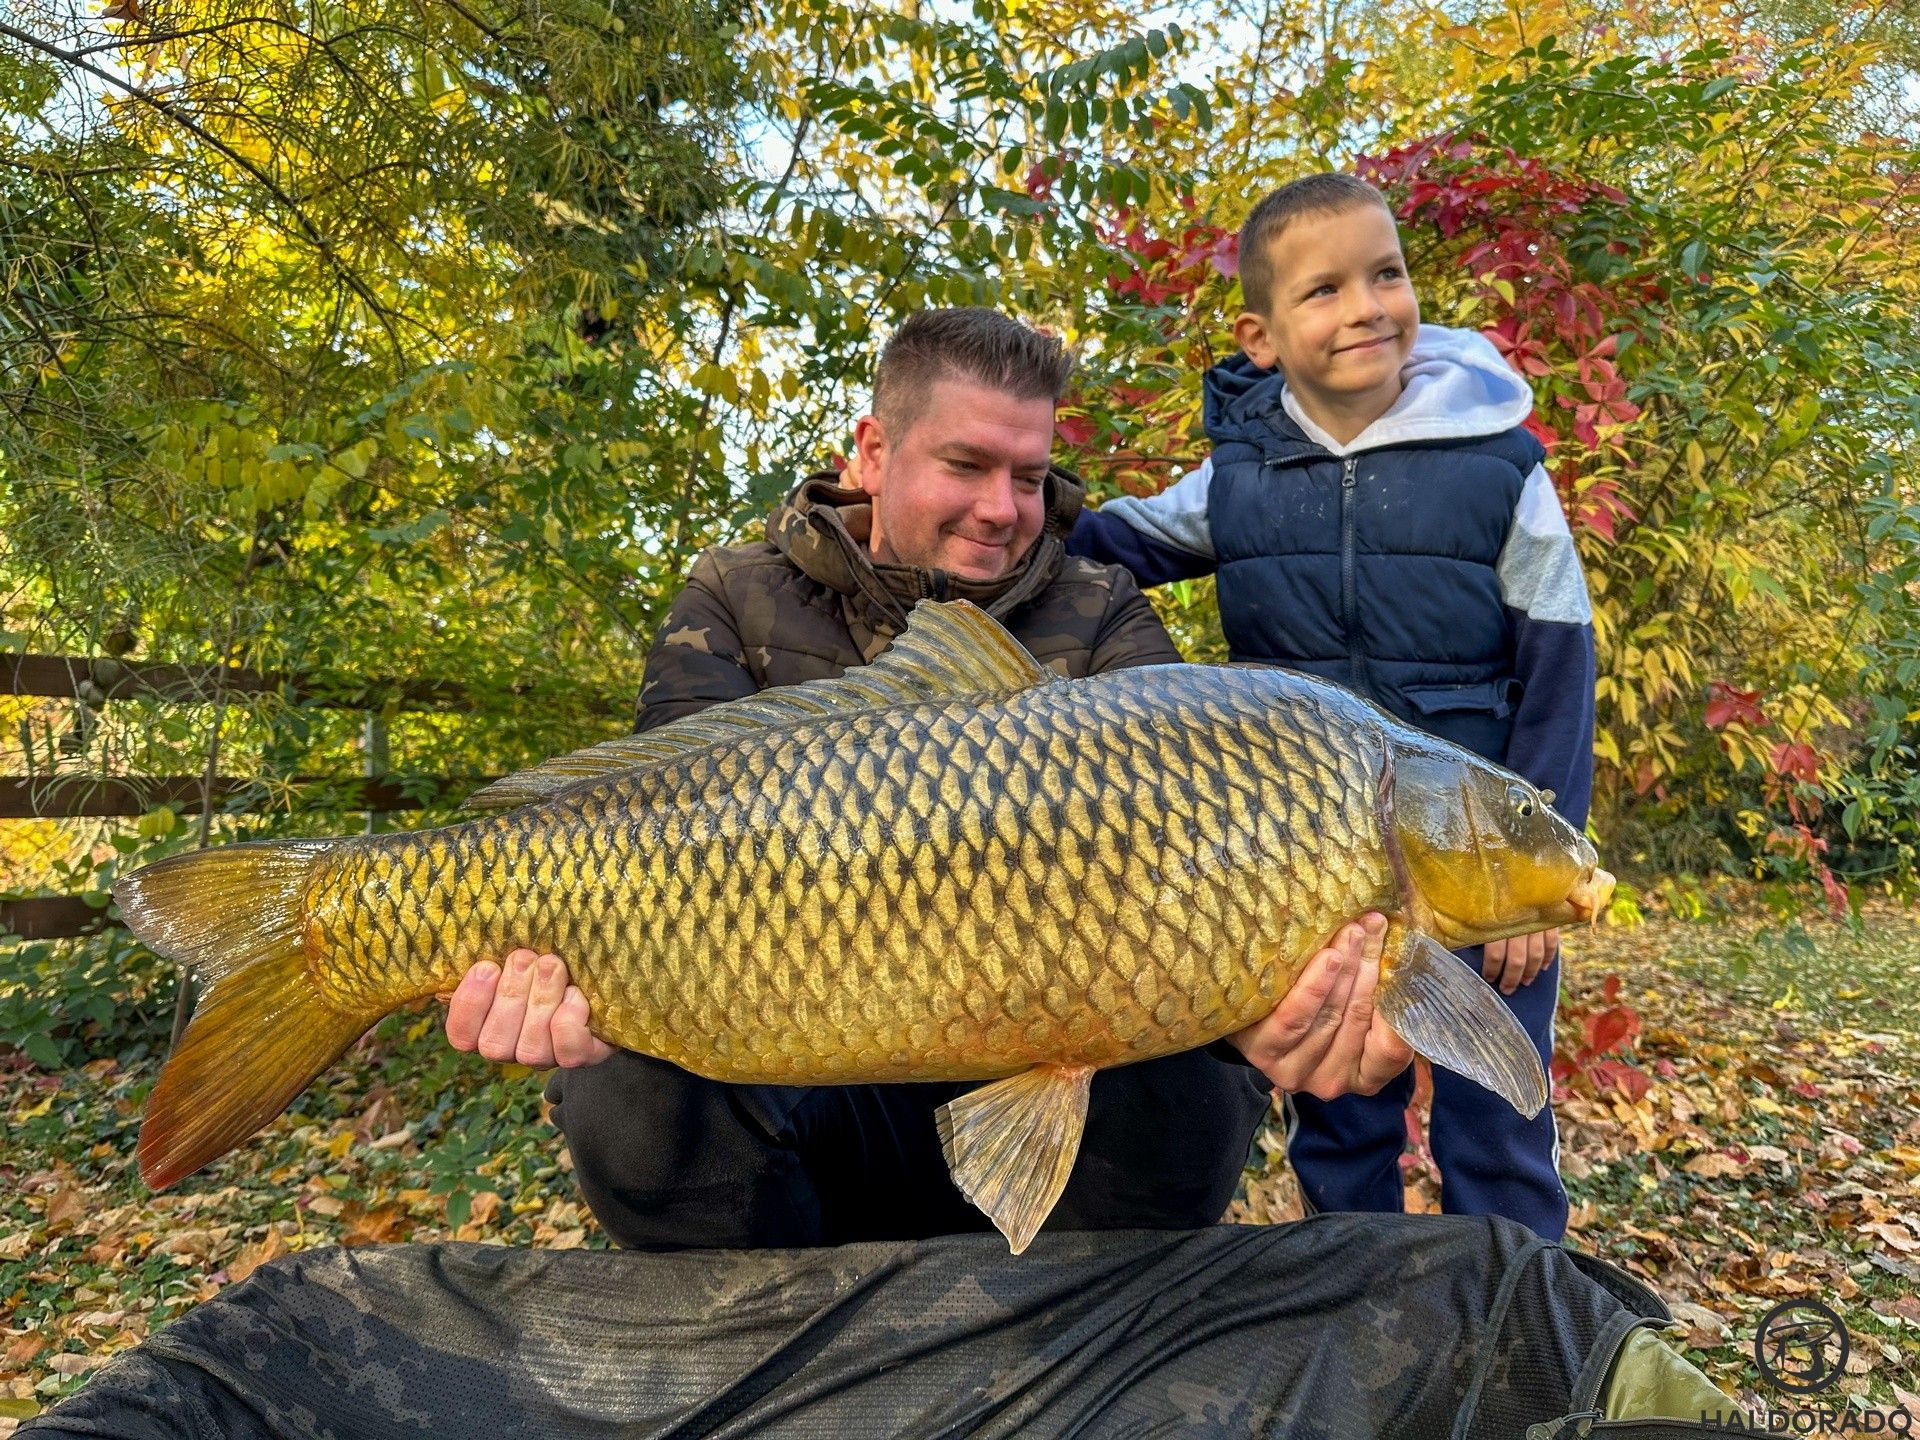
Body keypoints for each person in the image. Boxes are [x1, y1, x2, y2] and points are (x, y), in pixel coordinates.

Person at [444, 306, 1414, 1251]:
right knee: (629, 1079)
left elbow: (1197, 874)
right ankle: (769, 1345)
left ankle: (1058, 1334)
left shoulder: (1099, 610)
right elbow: (657, 847)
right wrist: (538, 963)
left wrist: (1273, 1010)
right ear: (872, 451)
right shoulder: (736, 596)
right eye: (966, 465)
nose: (1003, 509)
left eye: (1030, 478)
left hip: (1049, 1108)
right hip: (807, 1103)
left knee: (1198, 1078)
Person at [1067, 173, 1598, 1240]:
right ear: (1260, 336)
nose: (1365, 306)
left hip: (1472, 848)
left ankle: (1525, 1324)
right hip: (1308, 867)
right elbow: (1103, 545)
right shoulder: (1239, 479)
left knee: (1496, 1111)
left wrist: (1543, 875)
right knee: (1340, 1111)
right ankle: (1355, 1310)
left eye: (1386, 274)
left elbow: (1560, 666)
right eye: (1324, 290)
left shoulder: (1499, 464)